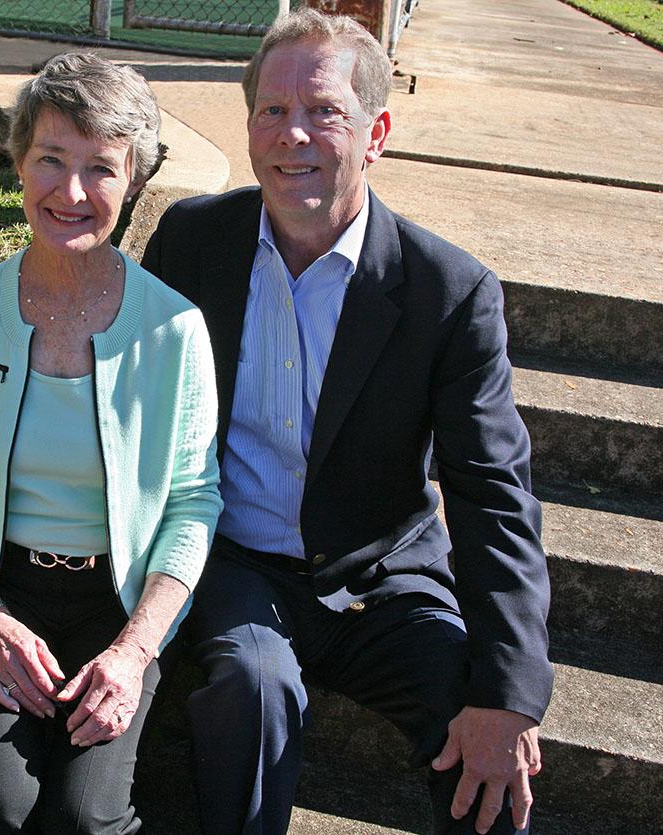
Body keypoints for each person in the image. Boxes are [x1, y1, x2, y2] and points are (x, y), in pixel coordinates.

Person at [141, 10, 552, 835]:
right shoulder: (192, 242)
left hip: (381, 573)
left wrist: (509, 694)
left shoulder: (449, 292)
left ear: (377, 132)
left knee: (486, 745)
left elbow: (492, 493)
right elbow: (131, 413)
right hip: (237, 561)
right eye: (271, 111)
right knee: (250, 689)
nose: (293, 135)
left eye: (323, 111)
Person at [0, 52, 222, 834]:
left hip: (117, 599)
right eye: (51, 159)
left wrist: (135, 648)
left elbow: (193, 500)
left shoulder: (175, 328)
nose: (72, 192)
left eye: (102, 169)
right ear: (20, 163)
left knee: (85, 817)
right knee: (5, 810)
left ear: (134, 182)